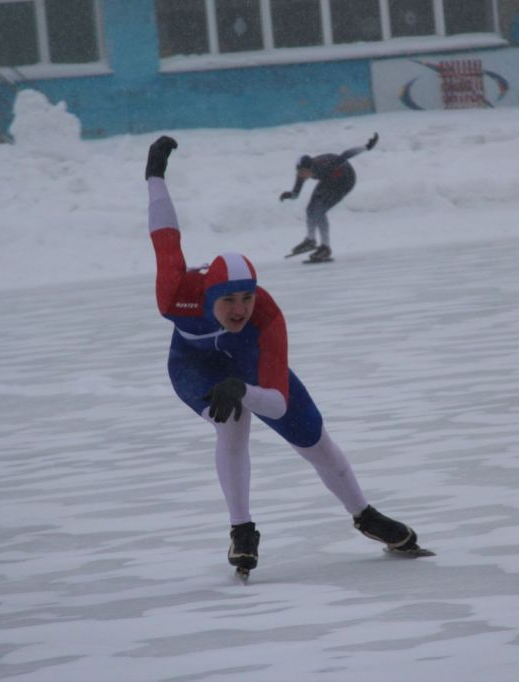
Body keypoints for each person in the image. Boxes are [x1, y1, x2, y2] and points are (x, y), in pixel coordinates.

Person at [145, 135, 423, 576]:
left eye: (246, 298)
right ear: (210, 297)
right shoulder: (174, 295)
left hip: (248, 367)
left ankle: (364, 514)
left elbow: (275, 399)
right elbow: (165, 235)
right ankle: (242, 530)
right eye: (229, 301)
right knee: (231, 423)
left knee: (315, 439)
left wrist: (245, 389)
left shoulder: (267, 316)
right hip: (193, 364)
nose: (239, 310)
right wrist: (155, 175)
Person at [279, 132, 379, 263]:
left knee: (319, 211)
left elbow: (346, 155)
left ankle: (325, 247)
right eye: (299, 172)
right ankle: (310, 240)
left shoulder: (325, 164)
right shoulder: (302, 174)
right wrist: (289, 195)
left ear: (309, 168)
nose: (300, 175)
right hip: (328, 181)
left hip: (345, 180)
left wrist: (366, 147)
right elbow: (296, 194)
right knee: (310, 209)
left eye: (302, 172)